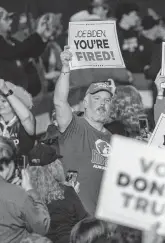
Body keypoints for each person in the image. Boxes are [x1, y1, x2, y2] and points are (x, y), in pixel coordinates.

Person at [53, 46, 113, 215]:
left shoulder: (113, 139)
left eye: (107, 100)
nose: (102, 103)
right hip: (73, 217)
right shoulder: (74, 125)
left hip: (100, 222)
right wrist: (65, 69)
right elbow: (59, 101)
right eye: (97, 98)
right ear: (85, 103)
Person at [0, 7, 53, 89]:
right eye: (6, 19)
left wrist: (44, 37)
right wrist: (37, 33)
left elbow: (31, 52)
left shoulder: (9, 39)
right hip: (4, 94)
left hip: (18, 90)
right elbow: (15, 52)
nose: (11, 21)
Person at [28, 145, 88, 243]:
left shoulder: (27, 195)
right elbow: (84, 220)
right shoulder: (66, 191)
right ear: (54, 167)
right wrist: (73, 195)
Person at [0, 79, 36, 155]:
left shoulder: (24, 122)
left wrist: (5, 90)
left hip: (27, 165)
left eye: (3, 101)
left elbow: (26, 118)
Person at [116, 2, 151, 73]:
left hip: (139, 73)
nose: (137, 18)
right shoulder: (114, 33)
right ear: (125, 15)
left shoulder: (136, 34)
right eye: (135, 15)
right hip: (122, 74)